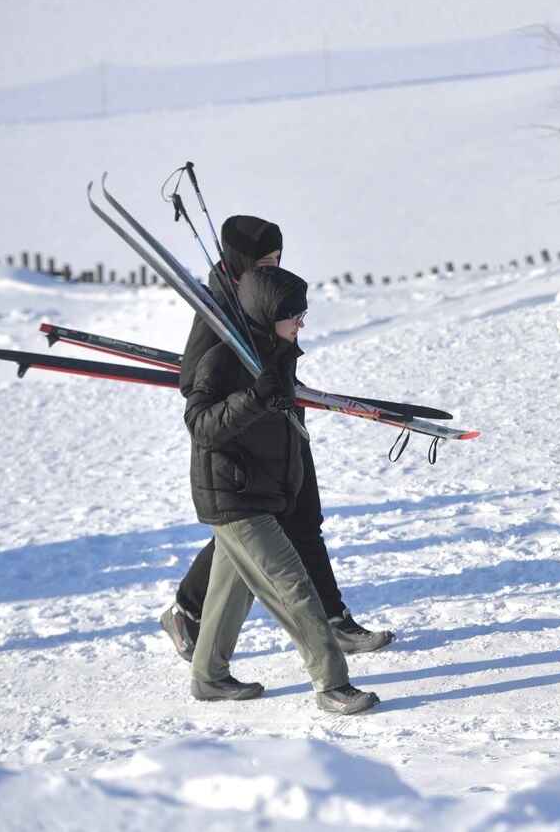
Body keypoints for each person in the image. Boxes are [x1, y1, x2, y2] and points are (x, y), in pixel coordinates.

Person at [159, 215, 392, 661]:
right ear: (240, 260)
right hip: (244, 445)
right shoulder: (216, 308)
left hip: (284, 429)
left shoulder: (267, 295)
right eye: (262, 262)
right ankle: (187, 610)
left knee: (304, 522)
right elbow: (195, 386)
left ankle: (334, 619)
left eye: (276, 260)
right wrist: (252, 393)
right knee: (245, 534)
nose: (269, 269)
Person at [184, 265, 379, 713]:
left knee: (232, 588)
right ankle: (332, 684)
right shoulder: (223, 358)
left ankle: (209, 676)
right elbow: (201, 425)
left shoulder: (277, 355)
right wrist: (253, 398)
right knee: (293, 586)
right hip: (233, 494)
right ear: (268, 313)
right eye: (295, 315)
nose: (301, 323)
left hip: (263, 491)